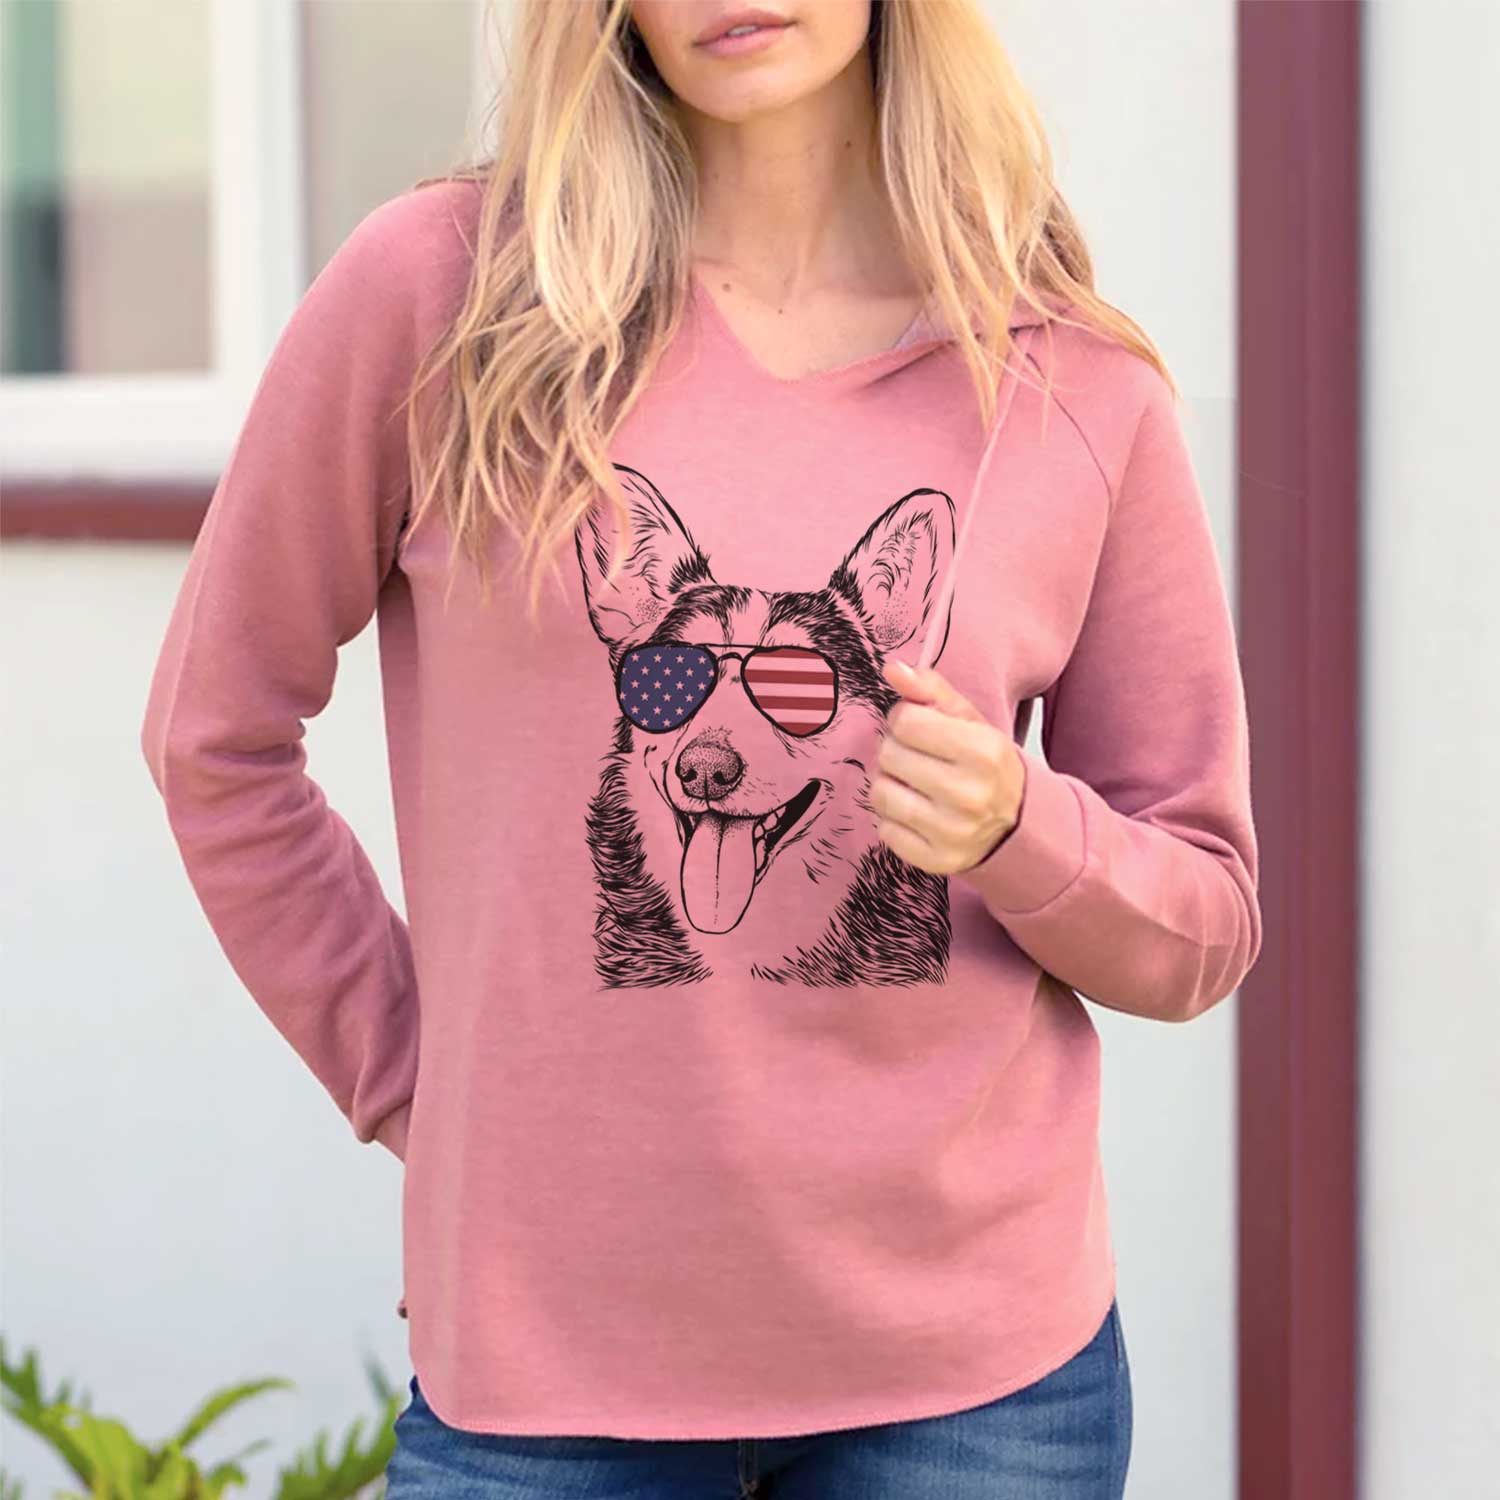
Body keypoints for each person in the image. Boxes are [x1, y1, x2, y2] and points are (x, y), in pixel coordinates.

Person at [140, 1, 1261, 1495]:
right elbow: (214, 738)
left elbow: (1202, 924)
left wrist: (1018, 829)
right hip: (547, 1376)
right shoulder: (444, 298)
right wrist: (415, 1077)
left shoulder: (1068, 382)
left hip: (974, 1393)